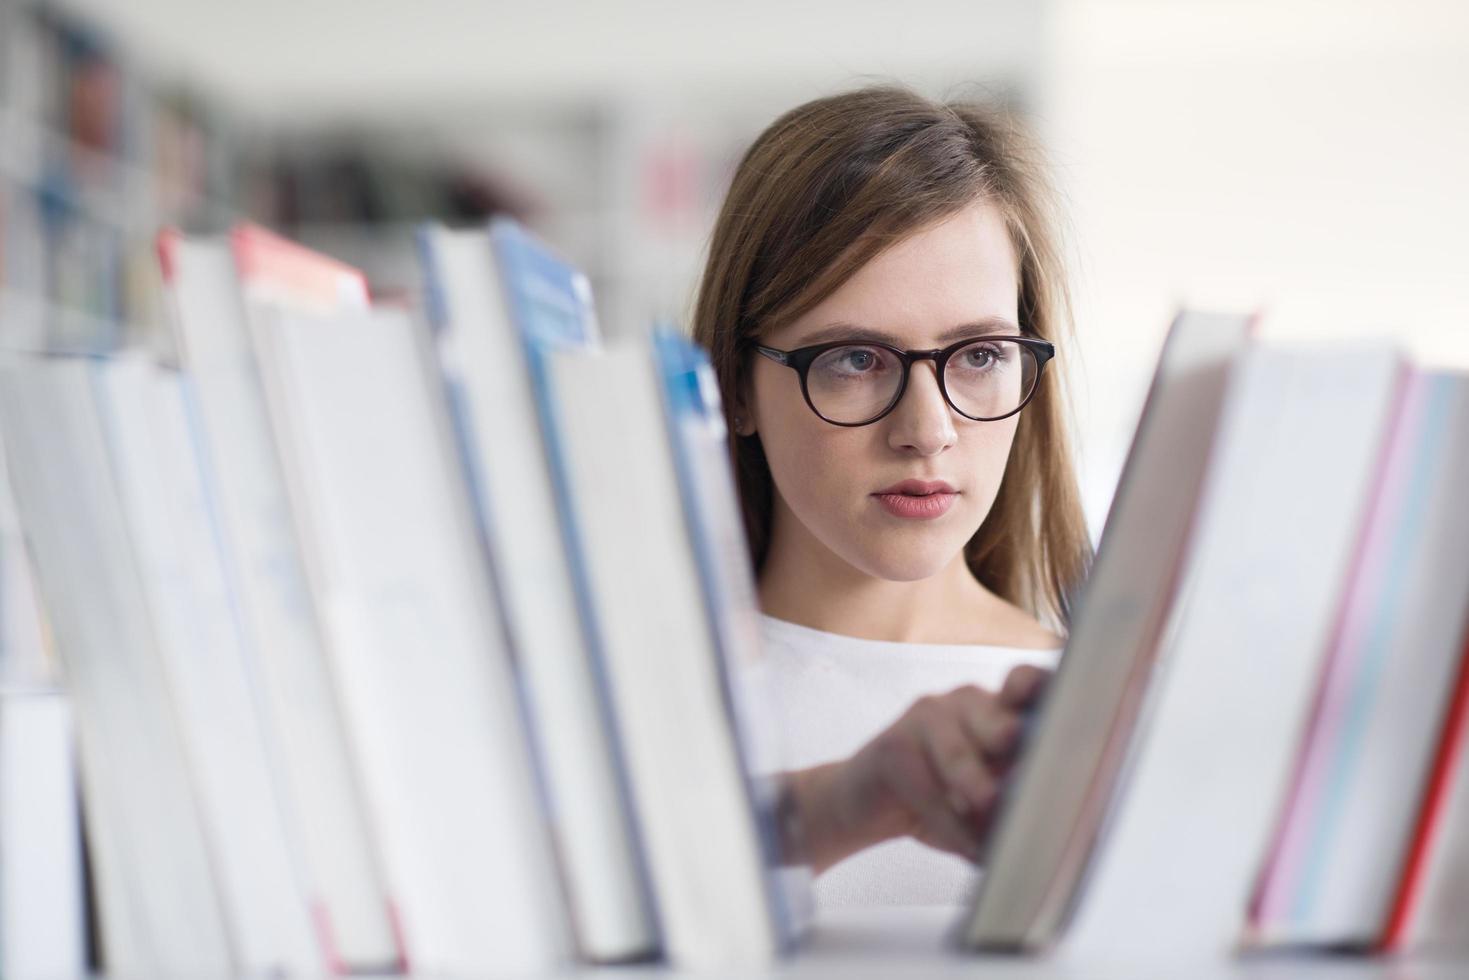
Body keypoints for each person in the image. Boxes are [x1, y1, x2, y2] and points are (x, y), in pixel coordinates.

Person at [690, 86, 1093, 908]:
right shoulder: (633, 700)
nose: (927, 430)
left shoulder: (1104, 718)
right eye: (853, 359)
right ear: (734, 385)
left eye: (978, 354)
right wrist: (835, 809)